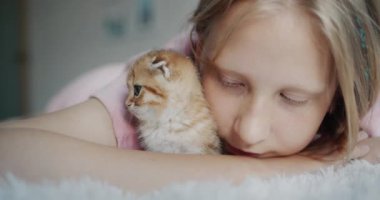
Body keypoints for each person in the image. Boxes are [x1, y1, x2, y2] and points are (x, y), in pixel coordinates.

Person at [1, 0, 380, 194]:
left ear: (335, 98)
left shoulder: (359, 96)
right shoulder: (159, 82)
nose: (249, 130)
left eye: (292, 98)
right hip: (86, 89)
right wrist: (279, 169)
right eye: (231, 82)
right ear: (198, 53)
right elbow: (9, 149)